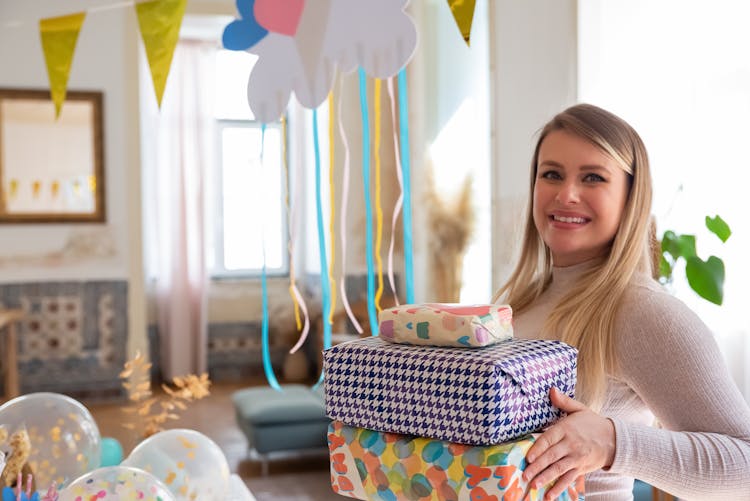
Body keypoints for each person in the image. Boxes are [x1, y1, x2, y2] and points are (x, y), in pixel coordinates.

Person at [492, 103, 750, 500]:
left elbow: (744, 464)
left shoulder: (643, 313)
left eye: (593, 177)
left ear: (631, 197)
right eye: (551, 174)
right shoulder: (520, 304)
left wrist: (613, 443)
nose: (566, 194)